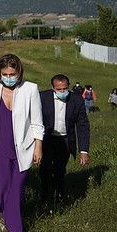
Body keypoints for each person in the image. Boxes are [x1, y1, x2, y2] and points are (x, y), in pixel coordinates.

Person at [0, 54, 44, 232]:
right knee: (1, 189)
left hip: (23, 149)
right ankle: (4, 214)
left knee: (16, 189)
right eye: (5, 74)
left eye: (12, 74)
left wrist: (38, 147)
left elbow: (37, 122)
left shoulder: (30, 89)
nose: (8, 77)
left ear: (19, 72)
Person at [39, 74, 90, 204]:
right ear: (53, 88)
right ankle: (44, 196)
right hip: (47, 139)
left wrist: (83, 150)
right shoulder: (42, 98)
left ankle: (60, 195)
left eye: (65, 88)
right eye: (59, 89)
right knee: (45, 168)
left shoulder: (76, 100)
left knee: (60, 170)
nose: (62, 92)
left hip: (65, 140)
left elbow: (82, 125)